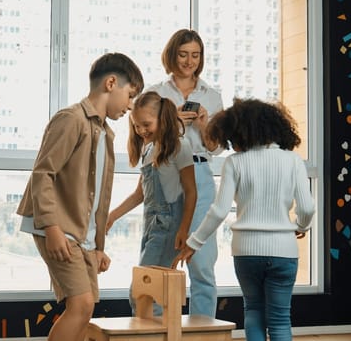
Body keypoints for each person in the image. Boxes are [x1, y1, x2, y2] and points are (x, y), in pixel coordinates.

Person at [17, 52, 144, 341]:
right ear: (111, 83)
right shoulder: (71, 119)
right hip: (57, 226)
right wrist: (51, 228)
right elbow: (43, 174)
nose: (130, 105)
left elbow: (97, 197)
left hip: (79, 231)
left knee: (85, 308)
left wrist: (97, 246)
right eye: (130, 94)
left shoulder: (105, 134)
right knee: (81, 304)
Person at [171, 99, 316, 341]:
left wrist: (194, 243)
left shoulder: (235, 163)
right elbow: (308, 207)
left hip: (246, 251)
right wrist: (301, 226)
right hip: (284, 250)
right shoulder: (292, 161)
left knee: (254, 310)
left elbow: (219, 210)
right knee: (280, 318)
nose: (232, 146)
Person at [145, 28, 223, 318]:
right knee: (159, 258)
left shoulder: (212, 96)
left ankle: (203, 331)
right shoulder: (155, 93)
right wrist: (171, 119)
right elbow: (143, 138)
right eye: (183, 54)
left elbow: (216, 148)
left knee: (201, 261)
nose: (189, 61)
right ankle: (153, 330)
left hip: (201, 175)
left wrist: (203, 125)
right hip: (165, 174)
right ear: (172, 54)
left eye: (195, 55)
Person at [106, 91, 197, 316]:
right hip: (151, 224)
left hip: (168, 226)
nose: (141, 130)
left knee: (145, 290)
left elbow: (191, 191)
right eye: (137, 126)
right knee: (146, 290)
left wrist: (184, 229)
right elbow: (140, 194)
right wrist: (112, 215)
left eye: (146, 124)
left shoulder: (179, 146)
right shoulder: (148, 149)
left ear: (163, 119)